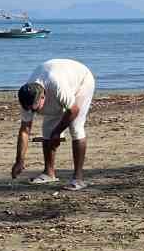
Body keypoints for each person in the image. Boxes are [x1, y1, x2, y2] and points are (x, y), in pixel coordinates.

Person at [11, 58, 95, 190]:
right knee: (47, 130)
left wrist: (57, 132)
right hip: (56, 79)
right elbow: (25, 130)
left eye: (35, 109)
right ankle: (49, 173)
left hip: (82, 80)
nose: (32, 112)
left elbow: (73, 110)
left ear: (43, 97)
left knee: (76, 127)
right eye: (29, 109)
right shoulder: (26, 98)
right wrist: (19, 161)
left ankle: (78, 178)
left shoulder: (57, 85)